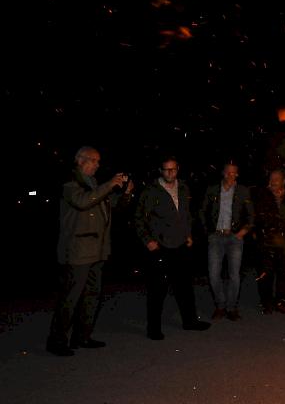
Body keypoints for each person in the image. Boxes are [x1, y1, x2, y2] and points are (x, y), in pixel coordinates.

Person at [47, 146, 134, 356]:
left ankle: (82, 336)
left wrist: (126, 194)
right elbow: (83, 202)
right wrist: (110, 184)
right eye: (93, 160)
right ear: (79, 160)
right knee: (71, 296)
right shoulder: (71, 184)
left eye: (98, 161)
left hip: (98, 250)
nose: (97, 164)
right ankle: (57, 340)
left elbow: (111, 206)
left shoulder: (93, 184)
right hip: (78, 250)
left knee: (92, 295)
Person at [134, 156, 210, 340]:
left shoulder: (183, 187)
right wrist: (148, 240)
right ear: (160, 170)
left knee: (184, 286)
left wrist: (189, 234)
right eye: (166, 169)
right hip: (160, 246)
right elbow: (139, 219)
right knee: (157, 289)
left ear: (178, 169)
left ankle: (190, 321)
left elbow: (186, 214)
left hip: (181, 244)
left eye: (173, 169)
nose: (170, 173)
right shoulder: (151, 192)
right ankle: (153, 328)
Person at [200, 161, 254, 321]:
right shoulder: (212, 190)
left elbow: (251, 215)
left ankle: (231, 308)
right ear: (223, 173)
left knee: (234, 275)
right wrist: (208, 232)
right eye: (228, 172)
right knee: (213, 274)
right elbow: (202, 211)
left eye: (234, 173)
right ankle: (220, 305)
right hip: (216, 237)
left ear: (237, 174)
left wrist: (242, 232)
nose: (231, 175)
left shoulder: (243, 191)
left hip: (234, 237)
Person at [254, 169, 285, 314]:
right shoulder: (263, 195)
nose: (273, 181)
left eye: (276, 179)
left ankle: (281, 301)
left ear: (283, 181)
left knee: (284, 273)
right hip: (267, 241)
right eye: (271, 178)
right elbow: (256, 216)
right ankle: (266, 302)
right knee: (265, 273)